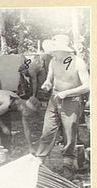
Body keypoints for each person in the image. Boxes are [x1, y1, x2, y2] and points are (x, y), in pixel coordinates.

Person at [35, 35, 90, 180]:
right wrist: (47, 84)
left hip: (71, 101)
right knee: (47, 131)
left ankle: (68, 169)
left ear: (64, 51)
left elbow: (88, 85)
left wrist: (67, 93)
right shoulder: (53, 61)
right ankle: (39, 161)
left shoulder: (78, 62)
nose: (52, 53)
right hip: (54, 99)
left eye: (55, 51)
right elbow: (50, 78)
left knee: (69, 135)